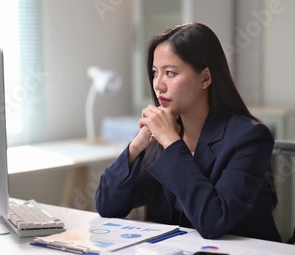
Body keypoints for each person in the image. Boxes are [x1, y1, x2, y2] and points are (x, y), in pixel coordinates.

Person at [95, 22, 281, 242]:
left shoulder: (250, 138)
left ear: (205, 78)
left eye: (170, 73)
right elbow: (107, 205)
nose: (158, 85)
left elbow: (214, 222)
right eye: (155, 73)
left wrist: (172, 142)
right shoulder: (163, 134)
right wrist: (137, 145)